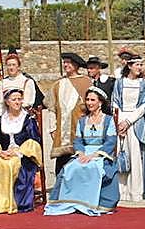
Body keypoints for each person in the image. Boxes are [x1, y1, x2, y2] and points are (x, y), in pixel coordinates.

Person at [45, 85, 119, 216]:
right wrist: (82, 153)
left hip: (101, 153)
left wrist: (95, 155)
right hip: (84, 152)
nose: (89, 103)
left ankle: (93, 202)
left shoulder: (108, 120)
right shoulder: (82, 120)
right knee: (71, 168)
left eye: (92, 100)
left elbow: (111, 141)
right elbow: (78, 141)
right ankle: (72, 201)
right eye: (88, 100)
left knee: (94, 168)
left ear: (100, 102)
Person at [0, 87, 43, 214]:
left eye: (19, 99)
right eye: (14, 99)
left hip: (23, 156)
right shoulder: (0, 120)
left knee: (10, 165)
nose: (17, 102)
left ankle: (10, 203)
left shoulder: (28, 120)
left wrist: (19, 152)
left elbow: (34, 140)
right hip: (4, 154)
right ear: (7, 101)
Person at [112, 54, 145, 201]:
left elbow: (144, 106)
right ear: (129, 66)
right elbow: (115, 103)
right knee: (122, 153)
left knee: (136, 156)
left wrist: (128, 121)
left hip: (136, 122)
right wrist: (120, 123)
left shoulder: (144, 84)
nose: (140, 67)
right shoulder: (119, 83)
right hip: (121, 122)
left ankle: (136, 192)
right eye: (137, 64)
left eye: (141, 65)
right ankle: (121, 192)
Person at [48, 52, 91, 174]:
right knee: (62, 164)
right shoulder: (58, 84)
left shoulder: (86, 82)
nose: (66, 65)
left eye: (69, 62)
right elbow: (52, 108)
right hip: (62, 130)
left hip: (79, 128)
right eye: (64, 62)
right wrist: (52, 128)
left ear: (76, 65)